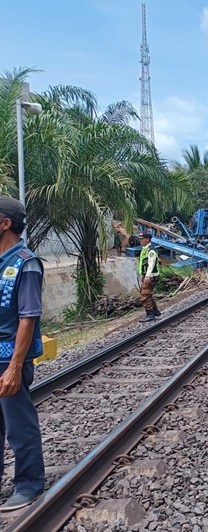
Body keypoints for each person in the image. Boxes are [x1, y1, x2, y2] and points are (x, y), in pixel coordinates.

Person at [0, 197, 45, 511]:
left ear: (5, 223)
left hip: (10, 357)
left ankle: (30, 485)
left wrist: (15, 366)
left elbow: (28, 317)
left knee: (18, 424)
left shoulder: (26, 263)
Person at [137, 232, 161, 323]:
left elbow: (151, 263)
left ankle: (150, 314)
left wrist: (147, 276)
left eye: (142, 239)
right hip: (148, 275)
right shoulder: (145, 249)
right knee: (148, 293)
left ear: (147, 239)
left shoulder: (151, 250)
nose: (140, 240)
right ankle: (155, 311)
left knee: (145, 294)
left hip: (151, 276)